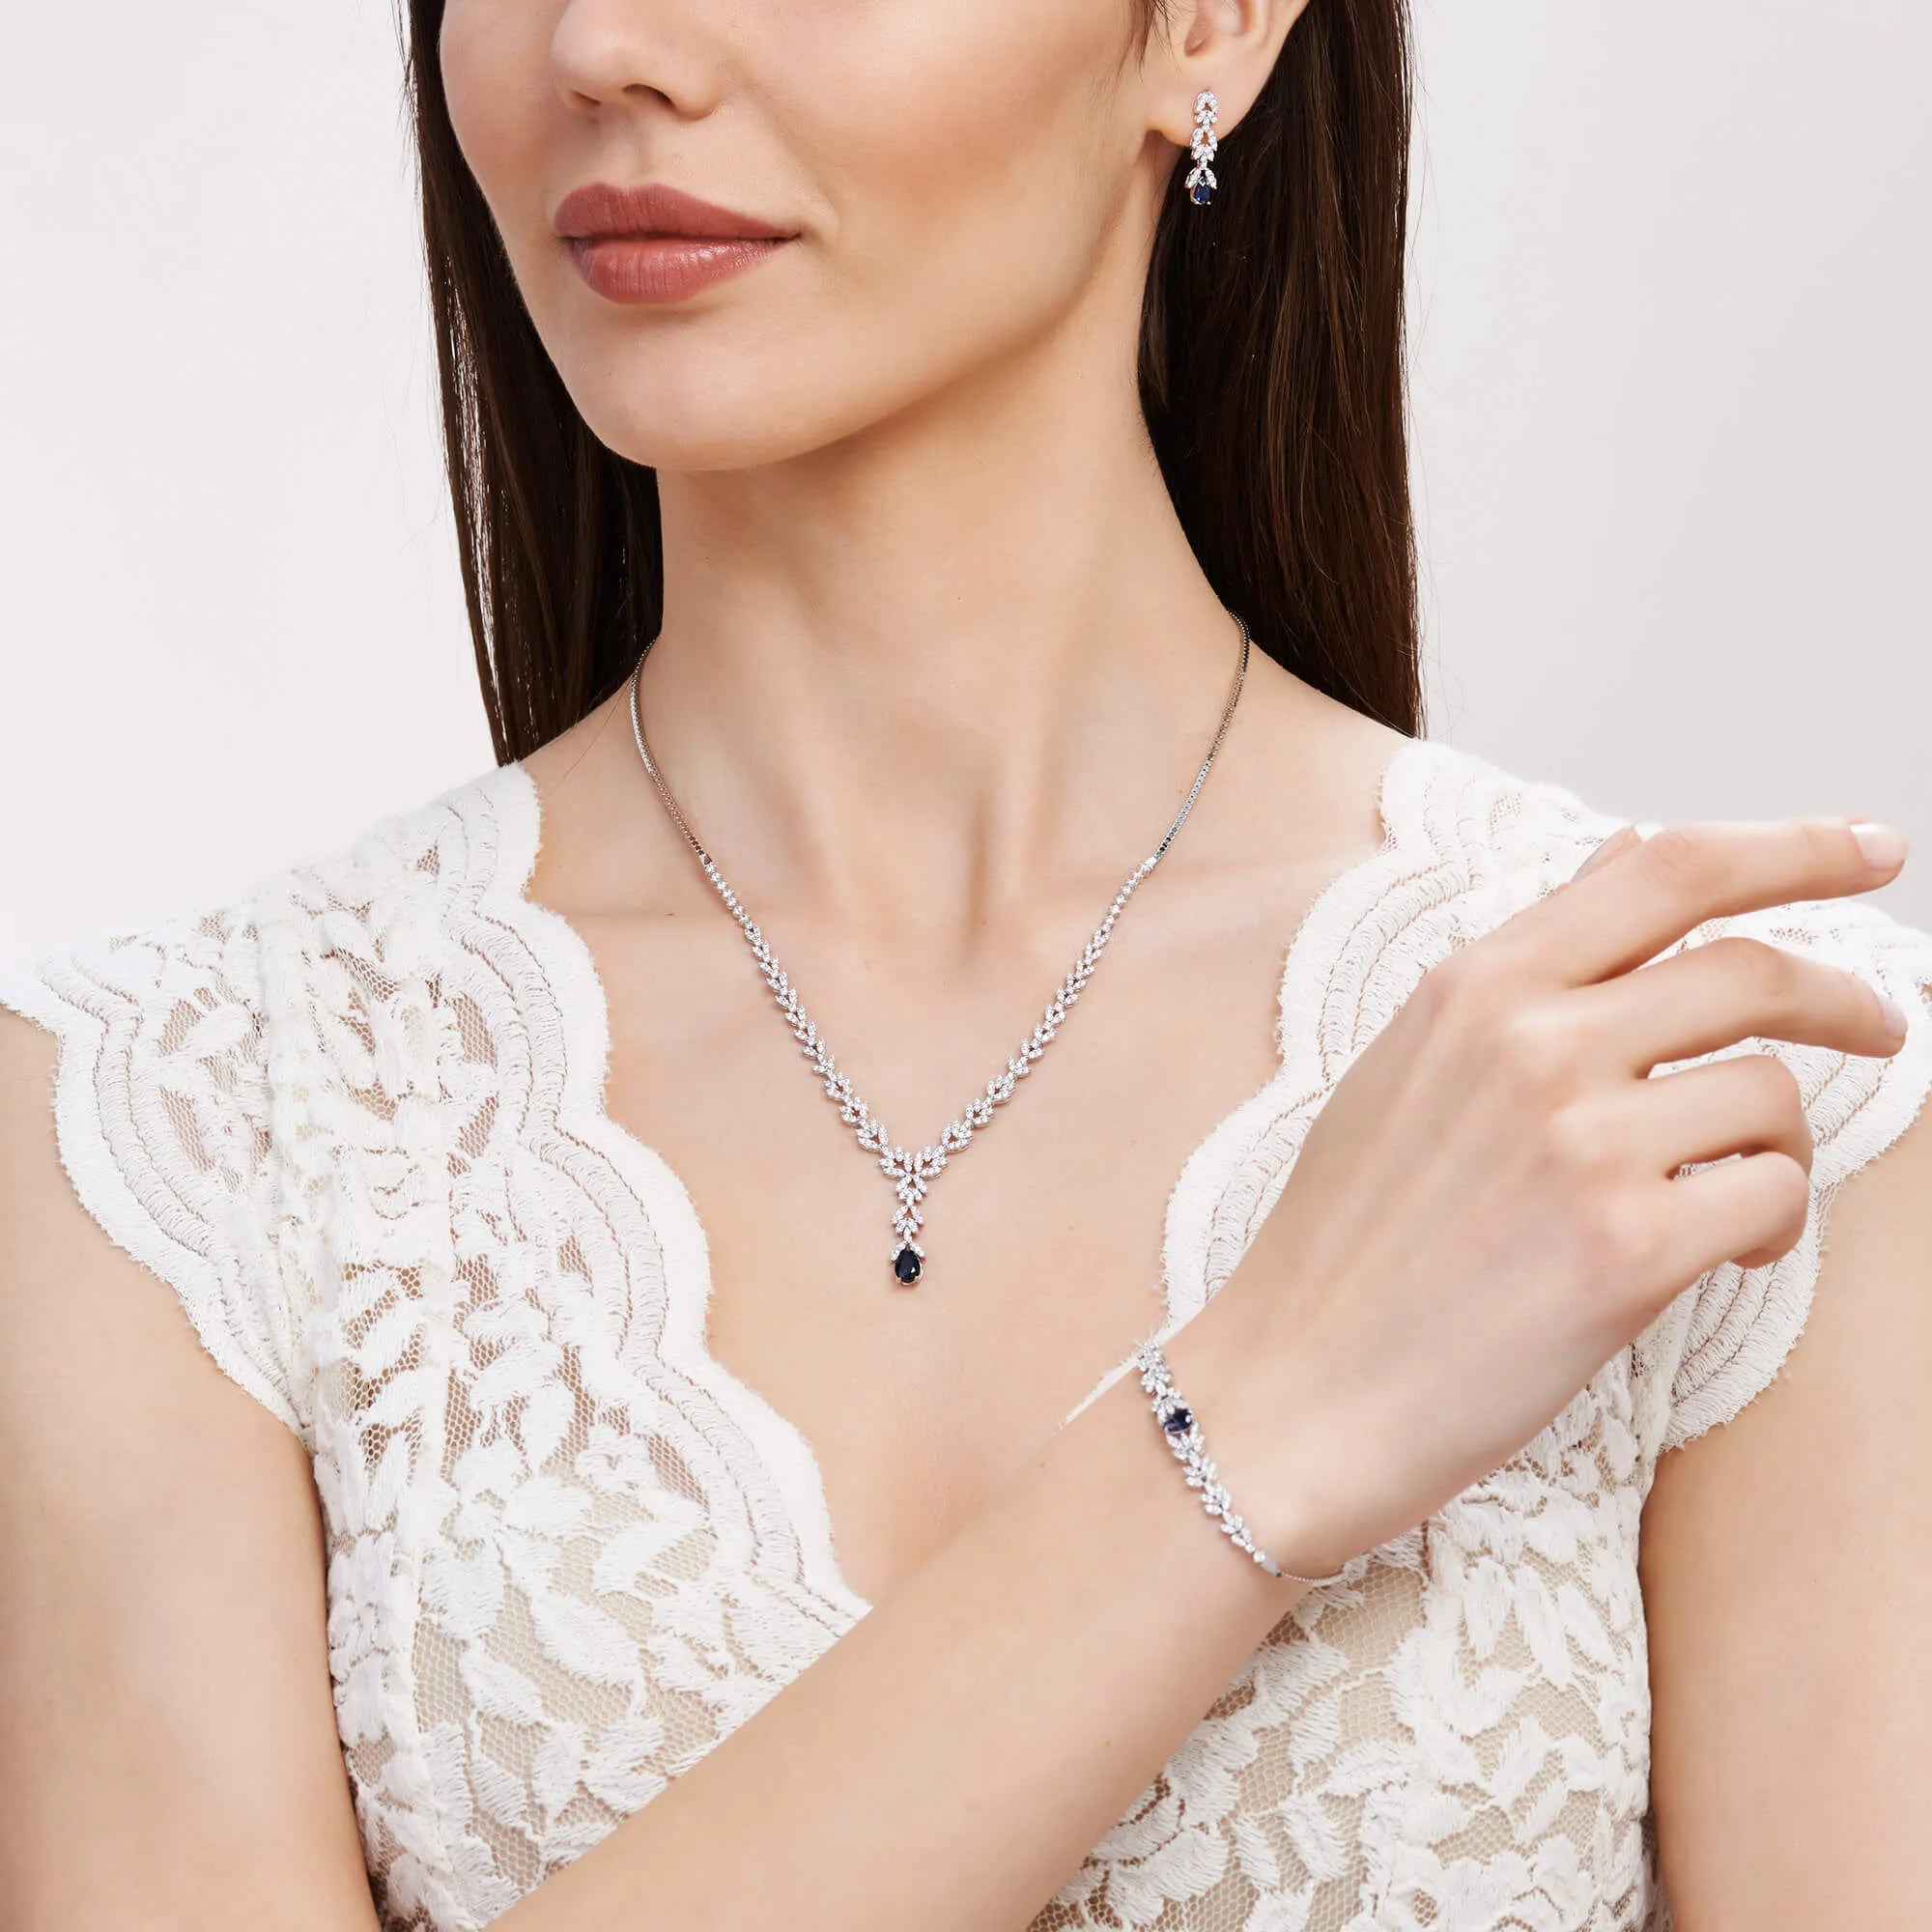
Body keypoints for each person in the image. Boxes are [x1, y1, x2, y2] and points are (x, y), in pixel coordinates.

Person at [2, 0, 1927, 1926]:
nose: (604, 43)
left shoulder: (1722, 1079)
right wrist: (1265, 1413)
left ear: (1211, 23)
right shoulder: (168, 1138)